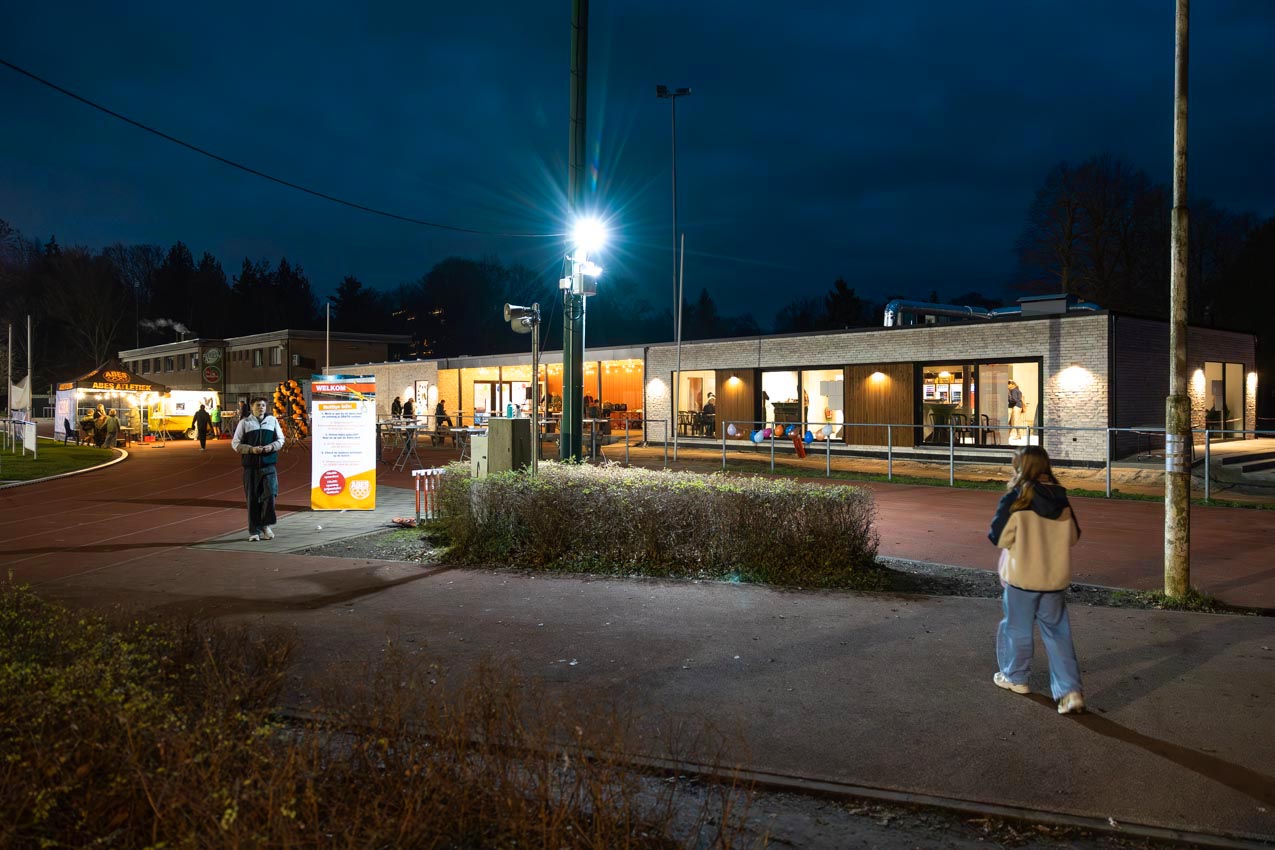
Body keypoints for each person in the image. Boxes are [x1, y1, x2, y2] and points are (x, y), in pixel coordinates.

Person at [988, 446, 1085, 715]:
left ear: (1021, 467)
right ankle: (1069, 692)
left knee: (1017, 628)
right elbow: (1073, 537)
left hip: (1022, 579)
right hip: (1054, 580)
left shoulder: (1016, 499)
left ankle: (1015, 677)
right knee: (1058, 634)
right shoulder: (1061, 499)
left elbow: (998, 537)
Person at [231, 396, 285, 542]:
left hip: (269, 466)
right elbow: (235, 444)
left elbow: (281, 440)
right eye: (258, 405)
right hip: (251, 468)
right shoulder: (244, 423)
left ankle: (265, 525)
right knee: (252, 499)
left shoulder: (272, 421)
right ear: (251, 407)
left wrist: (271, 447)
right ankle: (254, 530)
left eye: (263, 405)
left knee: (270, 495)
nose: (261, 407)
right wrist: (251, 450)